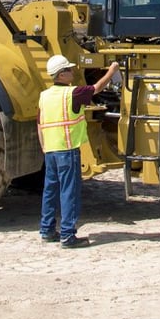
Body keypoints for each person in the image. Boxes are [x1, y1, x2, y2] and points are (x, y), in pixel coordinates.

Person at [37, 54, 120, 248]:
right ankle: (67, 235)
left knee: (50, 190)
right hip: (67, 150)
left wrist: (44, 147)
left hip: (50, 151)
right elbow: (96, 88)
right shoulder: (72, 94)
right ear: (61, 74)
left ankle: (47, 230)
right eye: (69, 69)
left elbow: (39, 124)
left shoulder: (44, 96)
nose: (73, 72)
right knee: (69, 192)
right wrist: (112, 70)